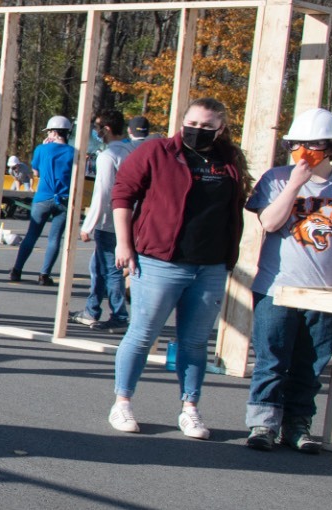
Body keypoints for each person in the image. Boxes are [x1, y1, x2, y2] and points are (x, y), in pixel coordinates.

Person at [107, 98, 248, 440]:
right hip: (160, 261)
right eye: (193, 124)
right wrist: (124, 243)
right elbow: (123, 194)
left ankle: (190, 409)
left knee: (195, 342)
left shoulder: (228, 161)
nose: (198, 131)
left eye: (206, 126)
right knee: (142, 334)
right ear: (182, 122)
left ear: (221, 129)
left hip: (210, 265)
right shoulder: (157, 152)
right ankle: (122, 402)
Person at [241, 108, 332, 453]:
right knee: (272, 359)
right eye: (298, 145)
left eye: (313, 145)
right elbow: (270, 223)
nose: (305, 152)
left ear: (330, 148)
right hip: (277, 287)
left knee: (311, 364)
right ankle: (263, 424)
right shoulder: (276, 178)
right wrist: (295, 185)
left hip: (326, 292)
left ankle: (297, 425)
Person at [73, 110, 140, 332]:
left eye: (99, 128)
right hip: (129, 219)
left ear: (107, 129)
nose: (96, 132)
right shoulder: (132, 152)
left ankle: (120, 315)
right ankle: (92, 309)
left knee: (111, 269)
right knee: (98, 266)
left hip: (109, 222)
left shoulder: (108, 156)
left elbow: (102, 192)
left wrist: (88, 224)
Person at [9, 116, 76, 286]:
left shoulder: (41, 149)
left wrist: (45, 148)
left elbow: (36, 172)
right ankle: (44, 274)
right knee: (54, 239)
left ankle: (17, 270)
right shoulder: (73, 152)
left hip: (43, 197)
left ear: (53, 132)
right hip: (64, 199)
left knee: (32, 234)